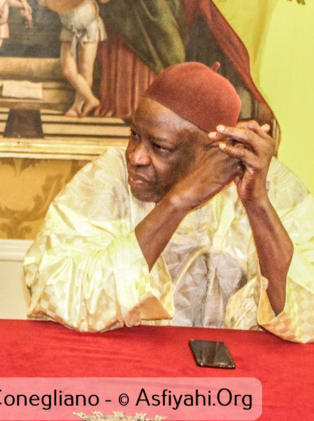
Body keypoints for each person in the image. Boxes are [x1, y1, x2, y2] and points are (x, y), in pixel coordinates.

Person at [24, 62, 314, 342]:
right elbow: (60, 297)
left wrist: (258, 204)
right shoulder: (107, 179)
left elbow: (306, 320)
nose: (136, 157)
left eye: (160, 147)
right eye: (134, 135)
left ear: (214, 152)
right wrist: (178, 202)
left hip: (243, 381)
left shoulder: (272, 185)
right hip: (129, 374)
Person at [39, 0, 124, 118]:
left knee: (86, 69)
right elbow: (41, 0)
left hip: (89, 26)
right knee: (68, 69)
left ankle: (77, 107)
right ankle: (92, 99)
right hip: (68, 28)